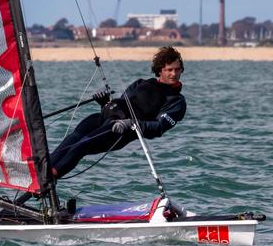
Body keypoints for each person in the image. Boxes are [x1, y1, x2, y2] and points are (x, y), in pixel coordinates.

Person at [49, 46, 187, 179]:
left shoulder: (176, 101)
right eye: (169, 70)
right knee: (73, 138)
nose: (174, 74)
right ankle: (41, 171)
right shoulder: (140, 83)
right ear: (160, 70)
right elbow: (122, 104)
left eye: (177, 69)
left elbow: (158, 127)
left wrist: (130, 123)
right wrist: (105, 103)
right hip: (105, 117)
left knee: (82, 144)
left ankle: (49, 178)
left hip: (120, 130)